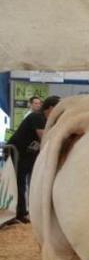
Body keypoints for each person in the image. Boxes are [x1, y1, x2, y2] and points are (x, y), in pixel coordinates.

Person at [6, 95, 60, 223]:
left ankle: (24, 211)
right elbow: (45, 138)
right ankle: (17, 213)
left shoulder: (47, 120)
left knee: (28, 182)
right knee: (18, 182)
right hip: (17, 152)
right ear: (51, 108)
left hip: (29, 154)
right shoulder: (37, 117)